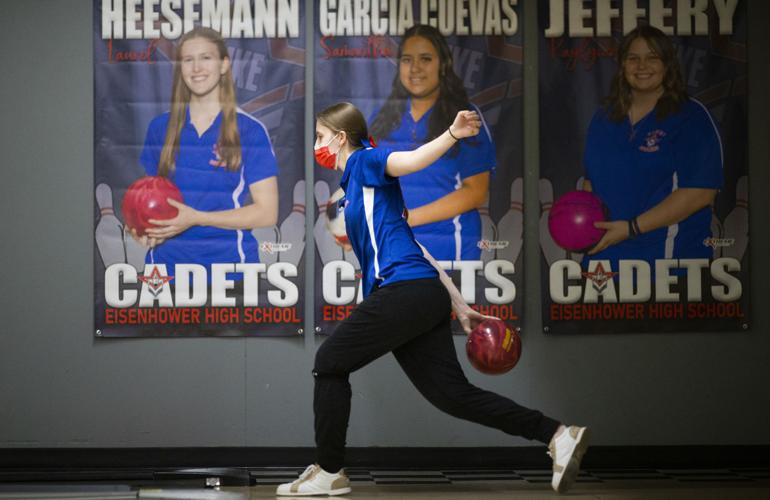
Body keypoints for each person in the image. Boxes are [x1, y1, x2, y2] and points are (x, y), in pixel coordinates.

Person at [276, 102, 589, 496]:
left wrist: (452, 134)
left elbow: (409, 160)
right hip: (421, 292)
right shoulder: (357, 192)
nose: (316, 146)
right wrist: (458, 305)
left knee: (330, 361)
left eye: (320, 137)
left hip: (402, 291)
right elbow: (416, 248)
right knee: (452, 396)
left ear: (340, 138)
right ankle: (557, 434)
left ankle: (329, 471)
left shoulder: (363, 161)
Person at [131, 27, 279, 278]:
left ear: (224, 65)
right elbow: (147, 200)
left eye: (206, 58)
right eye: (188, 60)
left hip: (231, 272)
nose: (196, 68)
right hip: (165, 273)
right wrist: (139, 226)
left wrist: (196, 218)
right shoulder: (160, 127)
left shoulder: (250, 130)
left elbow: (267, 212)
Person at [583, 25, 723, 269]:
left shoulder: (690, 116)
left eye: (652, 58)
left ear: (668, 65)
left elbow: (701, 193)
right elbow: (590, 184)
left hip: (667, 265)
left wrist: (631, 228)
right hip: (602, 263)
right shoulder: (603, 118)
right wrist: (580, 227)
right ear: (622, 65)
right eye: (633, 59)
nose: (642, 66)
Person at [370, 24, 496, 262]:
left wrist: (409, 218)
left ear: (443, 65)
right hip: (393, 250)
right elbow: (366, 179)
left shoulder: (464, 116)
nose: (415, 68)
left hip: (451, 251)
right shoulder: (381, 118)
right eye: (407, 60)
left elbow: (476, 192)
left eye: (425, 59)